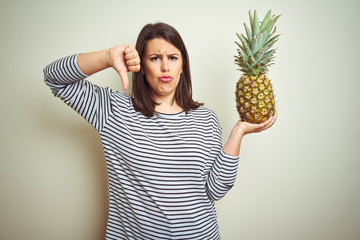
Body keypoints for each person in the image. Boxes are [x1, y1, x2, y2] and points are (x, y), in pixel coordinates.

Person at [43, 22, 276, 240]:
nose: (165, 66)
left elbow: (214, 190)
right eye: (155, 58)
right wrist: (106, 57)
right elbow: (53, 77)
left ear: (183, 65)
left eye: (173, 58)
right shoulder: (113, 111)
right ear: (141, 67)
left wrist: (239, 131)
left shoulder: (206, 119)